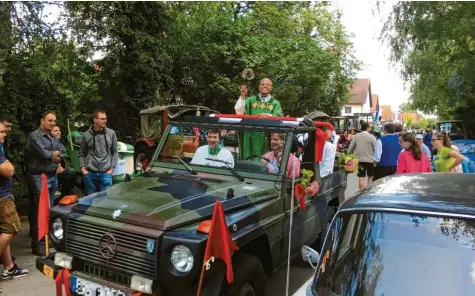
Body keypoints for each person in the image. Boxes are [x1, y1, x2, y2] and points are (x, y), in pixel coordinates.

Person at [25, 111, 62, 255]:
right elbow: (44, 154)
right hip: (39, 177)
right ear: (42, 121)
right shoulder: (34, 136)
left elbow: (61, 153)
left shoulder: (52, 136)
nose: (52, 123)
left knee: (50, 211)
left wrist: (53, 155)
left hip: (52, 176)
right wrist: (53, 154)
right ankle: (38, 244)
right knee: (40, 211)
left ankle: (47, 240)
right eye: (50, 120)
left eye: (54, 121)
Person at [0, 123, 28, 281]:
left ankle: (9, 267)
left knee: (4, 230)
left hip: (4, 194)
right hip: (2, 197)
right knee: (12, 228)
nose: (4, 135)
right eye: (2, 132)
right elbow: (9, 170)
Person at [235, 78, 283, 159]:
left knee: (264, 160)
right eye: (262, 84)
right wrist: (243, 96)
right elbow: (239, 113)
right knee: (247, 159)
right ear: (259, 86)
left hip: (265, 135)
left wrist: (267, 115)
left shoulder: (275, 103)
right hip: (249, 134)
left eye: (267, 85)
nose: (264, 86)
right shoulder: (250, 100)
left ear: (271, 88)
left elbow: (278, 116)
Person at [79, 110, 118, 196]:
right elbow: (81, 154)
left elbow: (115, 152)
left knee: (107, 201)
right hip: (90, 174)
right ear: (95, 120)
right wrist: (83, 169)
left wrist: (111, 169)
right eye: (102, 119)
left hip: (106, 174)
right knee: (90, 202)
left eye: (106, 119)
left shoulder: (111, 133)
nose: (105, 121)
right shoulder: (86, 135)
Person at [348, 122, 377, 189]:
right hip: (370, 160)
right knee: (370, 177)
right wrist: (376, 160)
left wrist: (348, 157)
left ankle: (361, 193)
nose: (370, 128)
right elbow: (375, 149)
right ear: (367, 128)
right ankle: (368, 192)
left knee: (361, 178)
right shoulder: (372, 137)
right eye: (370, 127)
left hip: (359, 160)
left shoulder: (356, 136)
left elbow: (351, 148)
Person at [51, 125, 76, 199]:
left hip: (61, 167)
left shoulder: (60, 143)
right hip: (52, 169)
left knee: (71, 174)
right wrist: (59, 167)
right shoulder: (50, 143)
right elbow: (54, 156)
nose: (58, 132)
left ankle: (66, 194)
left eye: (59, 130)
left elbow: (64, 157)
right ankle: (64, 195)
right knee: (69, 175)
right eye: (55, 131)